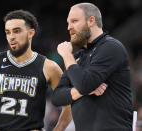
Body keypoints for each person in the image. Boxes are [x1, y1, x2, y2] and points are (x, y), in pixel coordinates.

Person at [0, 9, 74, 131]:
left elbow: (69, 104)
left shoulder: (49, 67)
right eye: (8, 32)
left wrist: (58, 129)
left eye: (17, 31)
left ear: (31, 33)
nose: (11, 36)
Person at [52, 2, 133, 131]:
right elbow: (56, 97)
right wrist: (80, 92)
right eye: (68, 23)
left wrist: (67, 55)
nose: (69, 27)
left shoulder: (111, 47)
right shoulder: (79, 57)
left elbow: (84, 84)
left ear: (91, 21)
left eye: (74, 21)